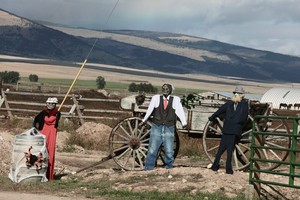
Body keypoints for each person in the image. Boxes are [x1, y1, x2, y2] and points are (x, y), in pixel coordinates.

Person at [142, 83, 187, 170]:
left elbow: (180, 111)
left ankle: (169, 166)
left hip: (169, 126)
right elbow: (150, 109)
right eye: (164, 89)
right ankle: (149, 167)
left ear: (170, 90)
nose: (165, 91)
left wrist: (184, 122)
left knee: (169, 149)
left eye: (167, 89)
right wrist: (145, 119)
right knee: (152, 147)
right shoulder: (156, 98)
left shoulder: (175, 100)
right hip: (157, 125)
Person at [208, 86, 249, 174]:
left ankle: (226, 168)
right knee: (223, 149)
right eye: (235, 93)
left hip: (233, 129)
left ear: (241, 95)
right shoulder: (230, 104)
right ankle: (219, 167)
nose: (236, 95)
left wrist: (236, 123)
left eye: (237, 94)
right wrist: (213, 117)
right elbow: (220, 111)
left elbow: (244, 118)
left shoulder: (243, 104)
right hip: (229, 129)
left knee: (228, 150)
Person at [32, 97, 61, 180]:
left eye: (52, 104)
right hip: (43, 132)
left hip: (52, 133)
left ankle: (49, 175)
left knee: (50, 153)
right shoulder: (43, 112)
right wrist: (35, 129)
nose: (50, 105)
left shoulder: (57, 113)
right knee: (41, 152)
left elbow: (57, 119)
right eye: (49, 103)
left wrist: (56, 113)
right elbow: (36, 120)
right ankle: (39, 174)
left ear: (55, 104)